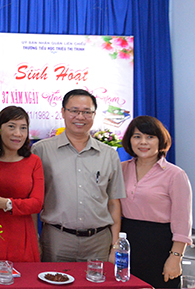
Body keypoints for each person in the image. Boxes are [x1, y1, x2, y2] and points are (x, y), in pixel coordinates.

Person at [32, 89, 125, 262]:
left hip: (99, 242)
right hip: (56, 240)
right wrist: (33, 240)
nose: (80, 117)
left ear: (94, 114)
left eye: (86, 112)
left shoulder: (109, 154)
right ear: (63, 112)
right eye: (74, 111)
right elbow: (33, 201)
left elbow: (113, 202)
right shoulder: (41, 150)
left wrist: (115, 245)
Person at [119, 116, 192, 288]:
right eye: (137, 136)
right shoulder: (121, 169)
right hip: (128, 240)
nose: (143, 142)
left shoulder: (175, 174)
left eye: (150, 137)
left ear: (160, 141)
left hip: (161, 243)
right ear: (129, 140)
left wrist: (176, 257)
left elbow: (183, 221)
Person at [0, 106, 44, 262]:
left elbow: (37, 204)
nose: (17, 133)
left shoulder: (34, 162)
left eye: (23, 128)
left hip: (22, 235)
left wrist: (6, 203)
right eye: (11, 126)